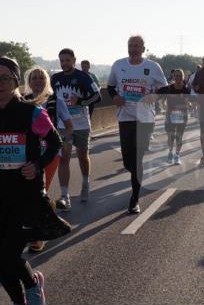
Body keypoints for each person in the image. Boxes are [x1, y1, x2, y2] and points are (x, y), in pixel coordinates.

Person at [0, 57, 62, 305]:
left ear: (14, 82)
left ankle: (28, 290)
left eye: (4, 78)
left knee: (10, 253)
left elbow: (54, 142)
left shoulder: (33, 113)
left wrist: (37, 165)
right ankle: (19, 300)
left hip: (25, 194)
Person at [106, 35, 167, 214]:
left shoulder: (153, 67)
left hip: (145, 118)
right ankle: (136, 172)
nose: (133, 49)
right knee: (128, 160)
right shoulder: (118, 65)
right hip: (125, 117)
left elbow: (165, 89)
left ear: (143, 48)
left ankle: (134, 199)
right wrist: (115, 97)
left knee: (137, 157)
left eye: (136, 46)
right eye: (130, 45)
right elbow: (110, 87)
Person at [20, 67, 69, 253]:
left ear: (46, 80)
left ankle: (38, 237)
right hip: (29, 155)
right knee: (33, 195)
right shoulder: (23, 101)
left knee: (40, 193)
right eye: (34, 78)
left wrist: (62, 141)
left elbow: (68, 125)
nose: (38, 81)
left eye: (41, 77)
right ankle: (50, 210)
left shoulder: (55, 99)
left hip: (49, 154)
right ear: (29, 81)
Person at [51, 48, 101, 210]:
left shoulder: (83, 76)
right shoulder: (55, 78)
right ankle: (65, 196)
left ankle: (86, 183)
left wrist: (80, 101)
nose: (64, 63)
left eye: (67, 60)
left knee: (82, 155)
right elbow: (51, 99)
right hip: (63, 126)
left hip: (81, 125)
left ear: (74, 60)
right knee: (63, 158)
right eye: (62, 61)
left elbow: (97, 96)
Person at [160, 69, 191, 165]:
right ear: (173, 77)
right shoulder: (169, 88)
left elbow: (187, 101)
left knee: (179, 136)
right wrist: (164, 105)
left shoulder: (185, 89)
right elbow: (163, 100)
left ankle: (177, 155)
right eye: (176, 76)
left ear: (182, 77)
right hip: (170, 114)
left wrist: (189, 104)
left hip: (181, 114)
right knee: (170, 136)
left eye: (179, 76)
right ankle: (170, 153)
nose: (177, 78)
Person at [81, 59, 100, 124]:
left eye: (85, 67)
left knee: (89, 115)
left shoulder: (93, 76)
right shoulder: (78, 75)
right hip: (81, 99)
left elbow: (98, 87)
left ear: (89, 67)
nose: (84, 69)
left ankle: (87, 129)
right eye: (82, 67)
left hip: (90, 99)